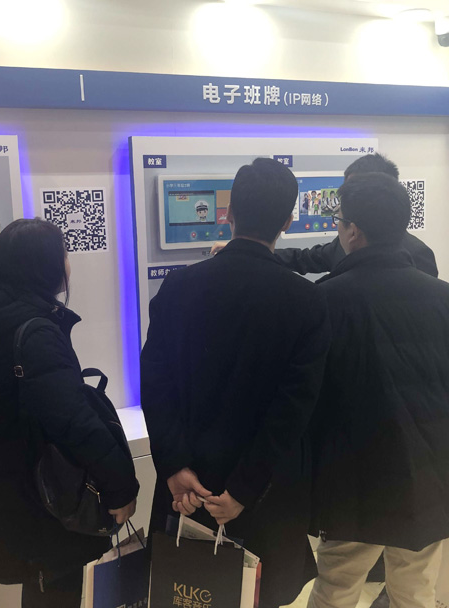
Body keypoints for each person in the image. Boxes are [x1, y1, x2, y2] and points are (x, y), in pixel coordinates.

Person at [141, 158, 331, 608]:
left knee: (186, 593)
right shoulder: (306, 300)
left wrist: (174, 465)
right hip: (265, 493)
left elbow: (155, 381)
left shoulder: (178, 287)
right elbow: (294, 408)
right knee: (261, 596)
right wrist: (245, 489)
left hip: (189, 492)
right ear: (287, 222)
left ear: (228, 213)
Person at [308, 173, 449, 608]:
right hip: (428, 473)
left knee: (335, 590)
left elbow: (310, 401)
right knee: (416, 592)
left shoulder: (325, 300)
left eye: (339, 222)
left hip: (352, 479)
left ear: (353, 231)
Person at [0, 218, 139, 608]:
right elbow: (71, 418)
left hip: (10, 484)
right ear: (43, 265)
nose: (68, 264)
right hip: (43, 494)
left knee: (41, 585)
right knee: (55, 587)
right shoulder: (35, 330)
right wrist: (120, 485)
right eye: (64, 254)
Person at [211, 153, 438, 279]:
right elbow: (304, 258)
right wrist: (251, 249)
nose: (345, 198)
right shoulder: (342, 243)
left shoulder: (418, 254)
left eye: (356, 191)